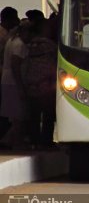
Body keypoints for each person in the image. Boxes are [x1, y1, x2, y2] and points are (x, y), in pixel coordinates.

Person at [22, 18, 57, 148]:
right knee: (48, 115)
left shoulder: (27, 45)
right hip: (46, 85)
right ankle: (46, 142)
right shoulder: (50, 46)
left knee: (34, 115)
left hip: (31, 85)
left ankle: (34, 140)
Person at [0, 19, 31, 149]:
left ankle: (9, 139)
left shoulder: (11, 41)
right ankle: (15, 141)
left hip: (7, 80)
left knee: (14, 114)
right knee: (19, 114)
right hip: (13, 82)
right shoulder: (19, 45)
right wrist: (21, 86)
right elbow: (15, 65)